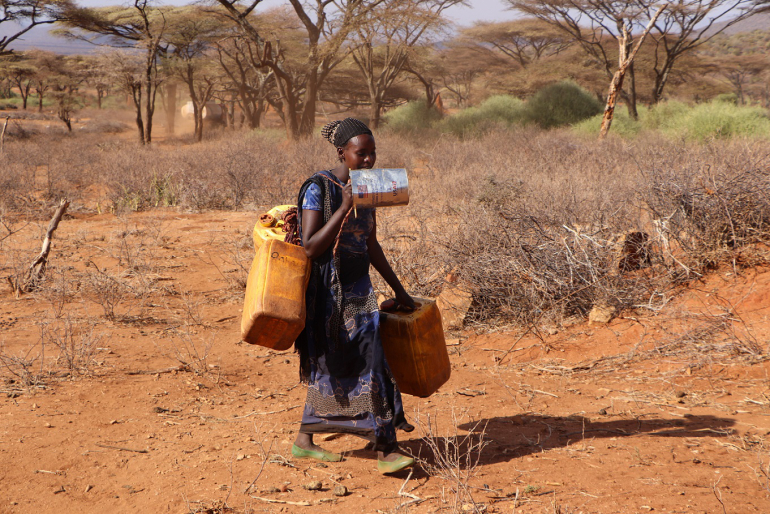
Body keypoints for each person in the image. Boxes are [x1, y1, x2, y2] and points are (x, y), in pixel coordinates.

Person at [291, 118, 416, 474]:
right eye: (361, 154)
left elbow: (370, 243)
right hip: (328, 294)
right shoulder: (318, 188)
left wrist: (399, 289)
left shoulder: (369, 188)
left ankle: (371, 443)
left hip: (360, 290)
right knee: (334, 363)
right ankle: (384, 447)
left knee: (369, 359)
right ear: (341, 153)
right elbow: (312, 247)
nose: (368, 161)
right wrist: (344, 206)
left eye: (372, 154)